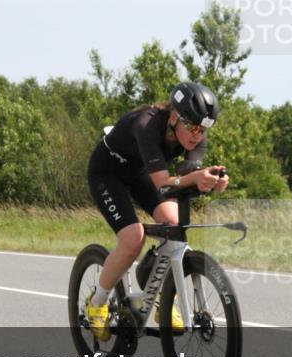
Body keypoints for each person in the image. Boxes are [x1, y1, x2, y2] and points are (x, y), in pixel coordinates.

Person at [85, 82, 229, 341]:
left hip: (142, 174)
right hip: (108, 173)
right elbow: (164, 182)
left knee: (173, 224)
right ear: (174, 117)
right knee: (132, 239)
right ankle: (97, 301)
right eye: (194, 127)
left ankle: (163, 297)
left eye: (205, 129)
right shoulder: (146, 125)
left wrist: (212, 181)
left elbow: (186, 175)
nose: (198, 135)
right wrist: (196, 177)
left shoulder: (195, 137)